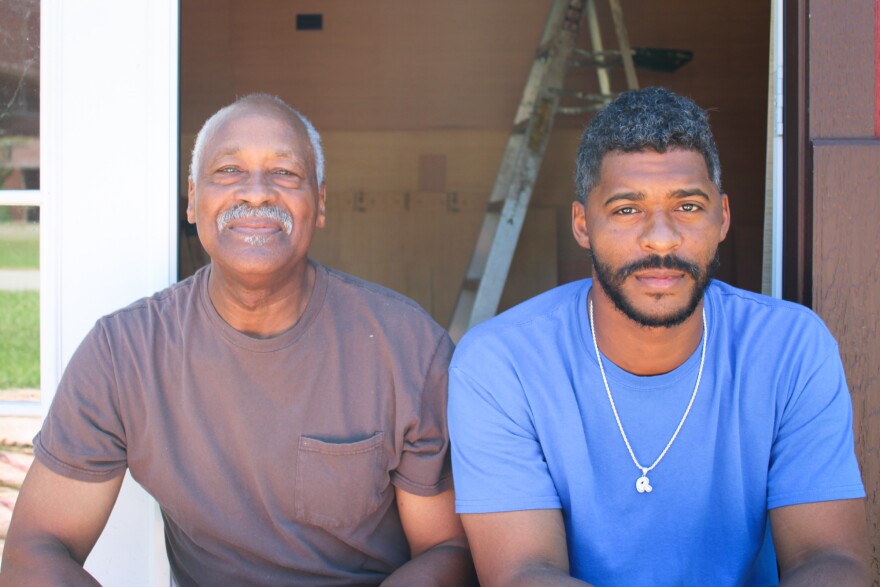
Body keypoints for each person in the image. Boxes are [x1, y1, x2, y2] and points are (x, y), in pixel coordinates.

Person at [1, 94, 474, 586]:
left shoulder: (405, 346)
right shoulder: (124, 353)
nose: (256, 193)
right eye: (228, 170)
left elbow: (449, 550)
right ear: (191, 199)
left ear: (321, 202)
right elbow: (34, 553)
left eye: (285, 173)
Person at [447, 87, 869, 586]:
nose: (662, 238)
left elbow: (831, 560)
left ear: (723, 218)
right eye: (627, 210)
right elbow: (523, 572)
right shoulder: (502, 362)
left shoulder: (790, 347)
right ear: (583, 224)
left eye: (688, 206)